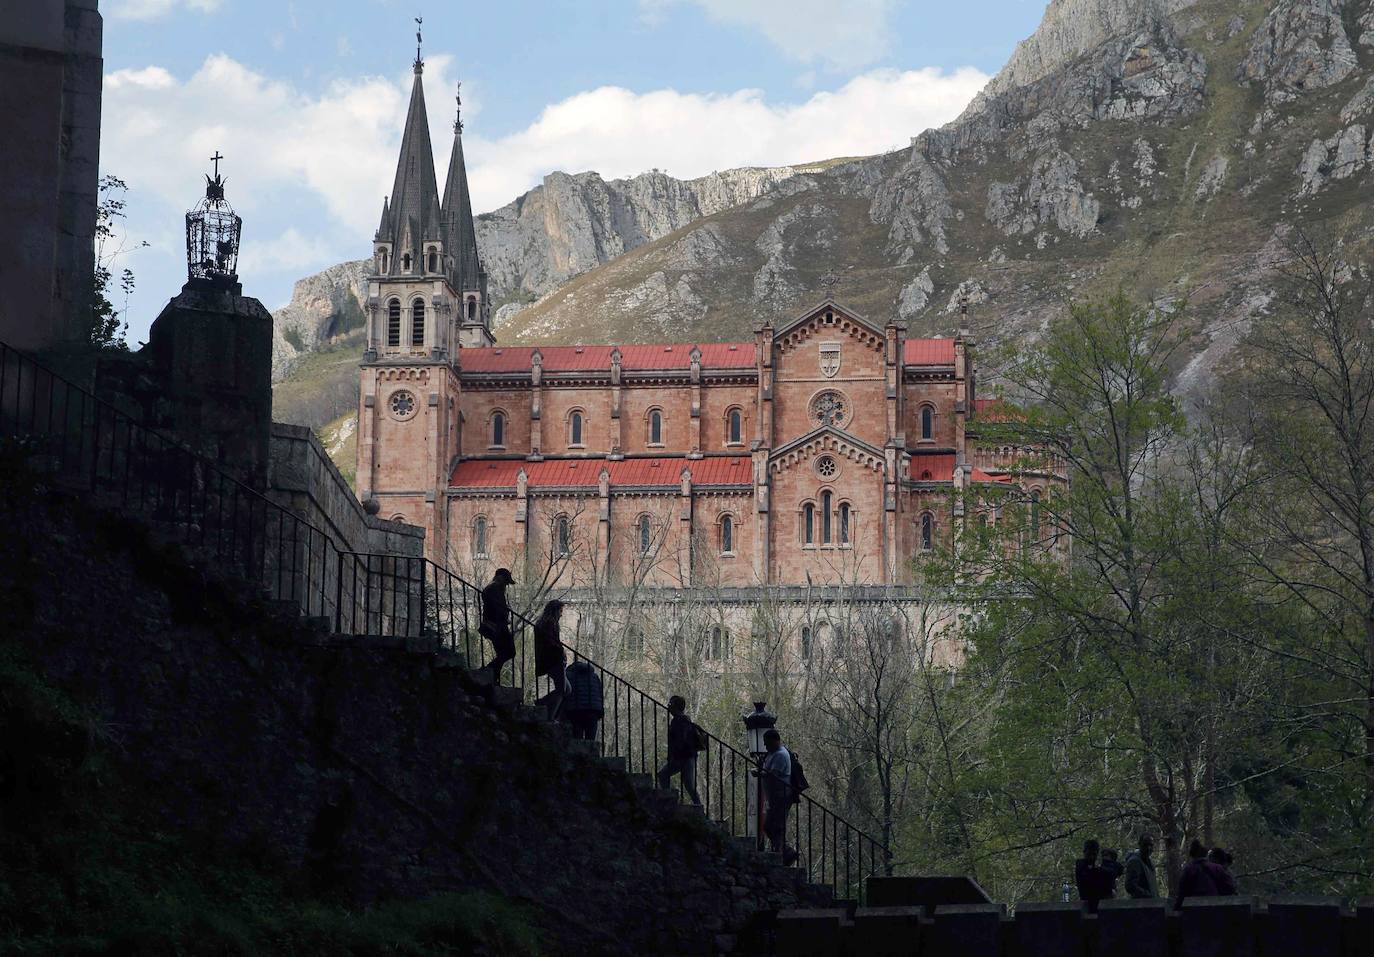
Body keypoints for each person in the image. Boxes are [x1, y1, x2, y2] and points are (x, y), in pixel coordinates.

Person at [759, 728, 798, 865]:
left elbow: (773, 774)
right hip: (774, 798)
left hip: (781, 797)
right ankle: (784, 852)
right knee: (771, 826)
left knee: (775, 826)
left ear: (775, 741)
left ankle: (783, 854)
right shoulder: (772, 753)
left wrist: (759, 773)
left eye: (767, 742)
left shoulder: (781, 754)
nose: (765, 746)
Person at [657, 695, 702, 807]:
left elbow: (681, 740)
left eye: (671, 704)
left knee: (684, 782)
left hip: (684, 757)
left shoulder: (681, 720)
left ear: (676, 706)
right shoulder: (680, 720)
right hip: (684, 756)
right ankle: (697, 806)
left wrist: (675, 755)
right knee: (688, 784)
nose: (668, 707)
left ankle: (670, 800)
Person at [532, 600, 568, 720]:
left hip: (551, 659)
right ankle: (548, 712)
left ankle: (547, 709)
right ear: (555, 610)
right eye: (560, 611)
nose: (561, 614)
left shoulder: (547, 622)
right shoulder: (548, 623)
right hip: (552, 660)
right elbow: (551, 642)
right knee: (562, 689)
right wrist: (561, 651)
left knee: (566, 689)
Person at [478, 568, 516, 680]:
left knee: (504, 653)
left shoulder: (494, 589)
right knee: (509, 652)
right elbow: (496, 608)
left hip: (497, 625)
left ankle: (492, 676)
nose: (506, 585)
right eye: (506, 582)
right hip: (496, 626)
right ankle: (487, 672)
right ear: (500, 578)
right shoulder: (494, 589)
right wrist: (504, 612)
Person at [1075, 840, 1123, 911]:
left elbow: (1115, 871)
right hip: (1089, 904)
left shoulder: (1101, 868)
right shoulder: (1082, 866)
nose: (1091, 857)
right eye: (1089, 854)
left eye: (1093, 854)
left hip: (1102, 905)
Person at [563, 659, 604, 741]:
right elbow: (599, 693)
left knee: (578, 739)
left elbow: (565, 693)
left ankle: (579, 753)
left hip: (576, 710)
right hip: (593, 710)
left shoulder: (568, 675)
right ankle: (591, 753)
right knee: (591, 740)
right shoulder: (594, 676)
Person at [1174, 839, 1220, 909]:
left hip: (1194, 910)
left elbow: (1182, 893)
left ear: (1192, 856)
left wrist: (1176, 908)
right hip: (1215, 907)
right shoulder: (1216, 868)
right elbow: (1228, 887)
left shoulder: (1188, 870)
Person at [1124, 834, 1159, 899]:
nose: (1148, 848)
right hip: (1140, 905)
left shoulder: (1149, 863)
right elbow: (1130, 886)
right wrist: (1148, 895)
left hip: (1152, 904)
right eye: (1145, 845)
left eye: (1151, 845)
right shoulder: (1134, 861)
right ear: (1140, 844)